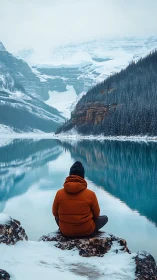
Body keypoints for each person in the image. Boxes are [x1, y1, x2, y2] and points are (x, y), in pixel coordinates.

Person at [52, 161, 108, 237]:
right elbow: (96, 215)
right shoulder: (91, 194)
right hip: (87, 231)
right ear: (82, 176)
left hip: (65, 232)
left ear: (70, 175)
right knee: (105, 218)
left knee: (57, 217)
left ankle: (68, 228)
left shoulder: (59, 193)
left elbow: (55, 213)